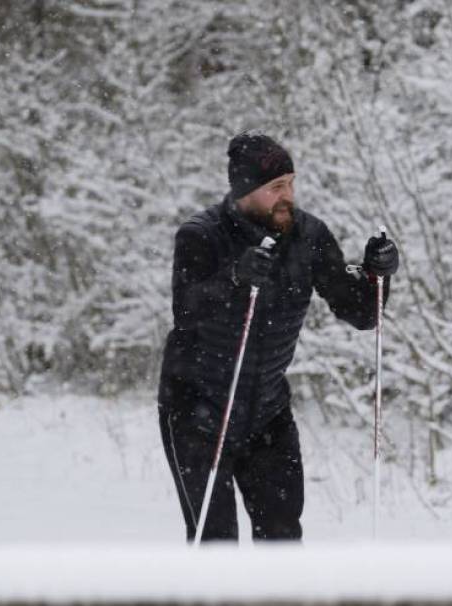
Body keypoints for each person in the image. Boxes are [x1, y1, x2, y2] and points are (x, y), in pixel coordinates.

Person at [157, 132, 399, 542]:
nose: (288, 195)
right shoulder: (201, 235)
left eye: (290, 182)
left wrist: (377, 275)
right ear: (245, 191)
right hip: (197, 411)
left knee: (282, 537)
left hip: (267, 412)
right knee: (215, 541)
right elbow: (186, 311)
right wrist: (236, 278)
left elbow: (359, 312)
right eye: (275, 187)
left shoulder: (309, 236)